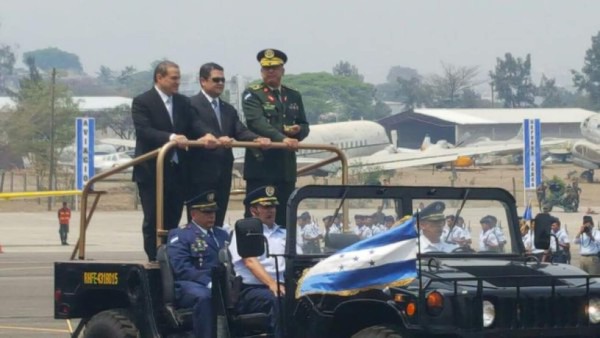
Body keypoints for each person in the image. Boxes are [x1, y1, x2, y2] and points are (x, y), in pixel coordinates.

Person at [132, 60, 218, 261]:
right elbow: (144, 131)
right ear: (159, 78)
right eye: (174, 78)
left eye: (179, 77)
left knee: (172, 216)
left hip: (177, 171)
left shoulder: (182, 102)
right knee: (153, 218)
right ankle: (154, 258)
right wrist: (171, 138)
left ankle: (171, 257)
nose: (178, 82)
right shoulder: (142, 101)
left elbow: (194, 124)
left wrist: (206, 135)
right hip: (152, 171)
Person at [188, 62, 271, 227]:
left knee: (217, 219)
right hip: (200, 173)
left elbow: (240, 130)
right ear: (203, 81)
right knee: (200, 220)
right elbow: (196, 127)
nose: (220, 83)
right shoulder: (190, 105)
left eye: (223, 80)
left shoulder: (227, 109)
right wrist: (217, 138)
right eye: (216, 79)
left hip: (223, 171)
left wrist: (257, 139)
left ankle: (217, 251)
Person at [242, 49, 310, 226]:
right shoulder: (253, 93)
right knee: (256, 217)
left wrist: (298, 131)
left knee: (284, 217)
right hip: (261, 166)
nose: (270, 71)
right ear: (261, 71)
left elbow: (304, 125)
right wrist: (283, 139)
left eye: (274, 68)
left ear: (282, 70)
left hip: (285, 168)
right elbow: (257, 122)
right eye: (266, 68)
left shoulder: (293, 95)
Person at [167, 190, 229, 338]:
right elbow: (182, 268)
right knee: (205, 297)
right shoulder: (181, 235)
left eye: (213, 211)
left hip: (222, 281)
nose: (212, 215)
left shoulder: (222, 234)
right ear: (193, 214)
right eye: (206, 212)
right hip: (191, 284)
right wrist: (207, 281)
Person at [230, 186, 290, 337]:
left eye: (273, 206)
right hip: (253, 289)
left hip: (285, 285)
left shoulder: (286, 233)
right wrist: (272, 283)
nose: (271, 210)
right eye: (266, 206)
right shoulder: (245, 233)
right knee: (279, 301)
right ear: (253, 210)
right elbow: (250, 261)